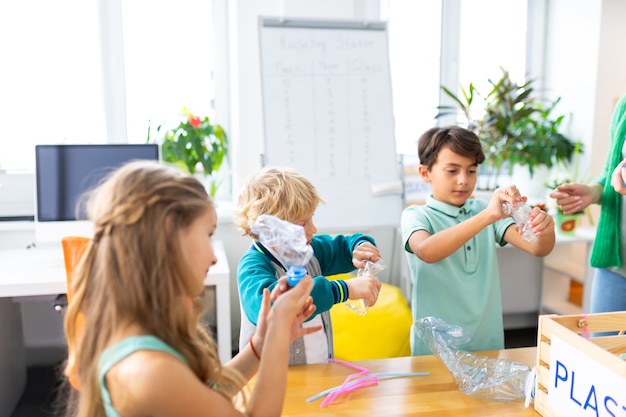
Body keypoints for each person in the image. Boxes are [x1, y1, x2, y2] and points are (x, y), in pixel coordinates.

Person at [62, 160, 320, 417]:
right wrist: (276, 336)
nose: (214, 256)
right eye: (208, 235)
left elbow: (204, 394)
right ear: (170, 234)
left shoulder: (138, 335)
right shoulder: (150, 371)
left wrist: (261, 344)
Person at [401, 126, 555, 356]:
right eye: (452, 171)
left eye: (471, 171)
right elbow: (425, 251)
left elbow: (537, 248)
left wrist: (545, 228)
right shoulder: (416, 215)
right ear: (425, 173)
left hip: (487, 342)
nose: (463, 180)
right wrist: (487, 216)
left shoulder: (483, 210)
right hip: (434, 349)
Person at [233, 166, 382, 365]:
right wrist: (343, 289)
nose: (313, 229)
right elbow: (273, 307)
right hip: (269, 383)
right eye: (302, 224)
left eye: (312, 218)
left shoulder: (308, 249)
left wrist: (359, 246)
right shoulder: (252, 266)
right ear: (268, 229)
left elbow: (343, 245)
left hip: (317, 370)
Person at [550, 94, 626, 315]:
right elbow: (611, 173)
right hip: (615, 263)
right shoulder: (623, 107)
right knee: (598, 347)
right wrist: (593, 192)